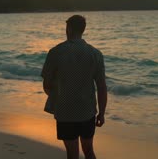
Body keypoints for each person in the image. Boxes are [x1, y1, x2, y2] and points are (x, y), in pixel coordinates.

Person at [41, 15, 108, 159]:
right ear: (83, 30)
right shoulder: (95, 53)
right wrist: (101, 113)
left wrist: (58, 96)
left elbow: (47, 85)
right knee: (89, 150)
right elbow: (102, 87)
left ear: (69, 28)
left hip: (65, 111)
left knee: (72, 153)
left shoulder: (56, 52)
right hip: (87, 110)